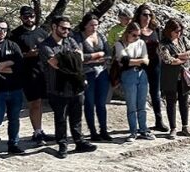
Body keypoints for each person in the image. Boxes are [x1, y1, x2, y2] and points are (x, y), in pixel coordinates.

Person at [41, 15, 96, 159]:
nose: (66, 31)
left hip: (75, 86)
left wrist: (66, 57)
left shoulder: (71, 40)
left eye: (68, 28)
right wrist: (72, 58)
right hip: (57, 88)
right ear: (54, 27)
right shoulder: (46, 45)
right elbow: (55, 63)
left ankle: (79, 141)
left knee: (77, 117)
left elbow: (81, 58)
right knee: (61, 118)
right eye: (63, 28)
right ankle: (62, 144)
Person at [10, 3, 66, 143]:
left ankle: (53, 132)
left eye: (32, 15)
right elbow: (12, 57)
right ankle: (37, 132)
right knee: (34, 103)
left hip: (46, 73)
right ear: (21, 18)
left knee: (52, 103)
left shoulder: (42, 32)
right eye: (26, 16)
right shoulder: (15, 35)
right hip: (28, 74)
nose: (29, 18)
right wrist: (27, 54)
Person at [76, 12, 111, 142]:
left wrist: (92, 59)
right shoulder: (79, 37)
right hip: (87, 73)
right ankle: (93, 132)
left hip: (102, 72)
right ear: (85, 25)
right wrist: (97, 56)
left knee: (101, 103)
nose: (94, 27)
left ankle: (104, 130)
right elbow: (80, 57)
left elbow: (108, 54)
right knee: (89, 103)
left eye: (96, 25)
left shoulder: (101, 36)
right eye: (91, 25)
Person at [159, 18, 190, 139]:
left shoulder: (183, 39)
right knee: (171, 102)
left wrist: (178, 56)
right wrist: (182, 59)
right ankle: (173, 128)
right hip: (170, 77)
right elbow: (168, 60)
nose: (178, 33)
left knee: (184, 101)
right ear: (169, 31)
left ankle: (185, 127)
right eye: (176, 31)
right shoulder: (163, 43)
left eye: (180, 30)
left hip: (183, 76)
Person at [132, 4, 165, 132]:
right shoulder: (135, 29)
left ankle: (159, 121)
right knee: (140, 95)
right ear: (139, 16)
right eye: (145, 14)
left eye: (149, 15)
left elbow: (162, 46)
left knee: (156, 93)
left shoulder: (156, 30)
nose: (147, 17)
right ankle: (139, 124)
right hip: (140, 65)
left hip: (155, 64)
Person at [115, 21, 149, 140]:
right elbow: (124, 60)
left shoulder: (141, 43)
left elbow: (146, 60)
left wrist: (132, 61)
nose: (136, 38)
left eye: (138, 35)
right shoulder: (120, 44)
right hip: (128, 75)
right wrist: (139, 60)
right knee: (131, 105)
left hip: (141, 74)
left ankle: (144, 129)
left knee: (142, 104)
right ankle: (133, 130)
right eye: (134, 35)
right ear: (127, 33)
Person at [0, 16, 26, 154]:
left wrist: (0, 66)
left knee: (14, 119)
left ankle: (13, 144)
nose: (1, 31)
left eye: (4, 29)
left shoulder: (13, 45)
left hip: (15, 89)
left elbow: (20, 66)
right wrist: (10, 63)